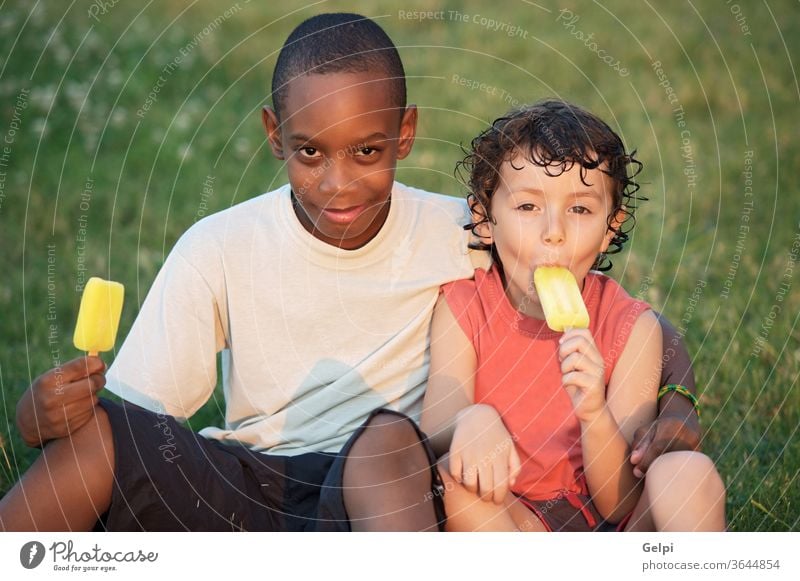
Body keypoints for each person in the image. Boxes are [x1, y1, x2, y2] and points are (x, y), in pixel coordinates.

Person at [1, 15, 702, 532]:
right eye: (310, 152)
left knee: (389, 437)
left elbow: (612, 308)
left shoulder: (466, 229)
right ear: (276, 136)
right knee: (99, 438)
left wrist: (674, 396)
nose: (339, 183)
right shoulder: (217, 246)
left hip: (386, 491)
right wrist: (47, 419)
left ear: (404, 134)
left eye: (367, 151)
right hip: (248, 483)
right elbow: (137, 414)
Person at [420, 100, 726, 532]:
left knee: (687, 474)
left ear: (610, 227)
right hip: (515, 520)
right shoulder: (464, 307)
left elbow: (619, 503)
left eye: (580, 210)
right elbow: (434, 427)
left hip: (610, 528)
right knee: (454, 478)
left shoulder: (630, 328)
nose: (554, 231)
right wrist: (472, 419)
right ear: (484, 219)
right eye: (527, 207)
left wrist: (593, 413)